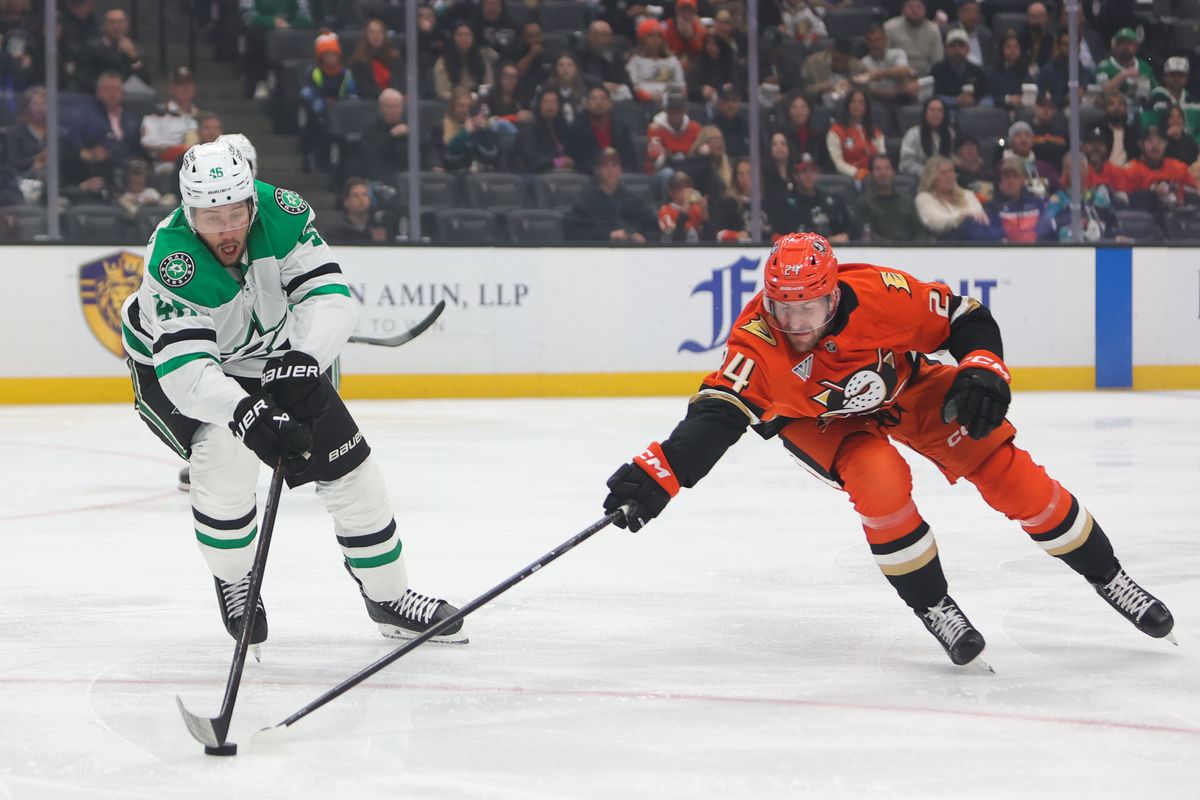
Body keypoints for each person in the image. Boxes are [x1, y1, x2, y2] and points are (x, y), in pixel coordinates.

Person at [600, 232, 1175, 669]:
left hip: (908, 387)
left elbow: (964, 317)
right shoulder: (756, 342)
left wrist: (983, 365)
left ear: (833, 296)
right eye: (785, 309)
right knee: (880, 482)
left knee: (1009, 475)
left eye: (810, 309)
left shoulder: (881, 293)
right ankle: (933, 605)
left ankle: (1109, 576)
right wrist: (661, 473)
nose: (797, 324)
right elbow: (717, 414)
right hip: (819, 421)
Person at [119, 141, 467, 649]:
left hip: (269, 354)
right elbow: (190, 371)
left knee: (351, 468)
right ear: (187, 212)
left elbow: (329, 298)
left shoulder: (282, 213)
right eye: (209, 217)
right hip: (174, 370)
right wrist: (245, 412)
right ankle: (236, 578)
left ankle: (389, 598)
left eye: (235, 212)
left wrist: (304, 358)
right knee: (225, 452)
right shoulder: (173, 260)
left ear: (251, 203)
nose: (226, 229)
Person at [564, 146, 658, 242]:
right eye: (605, 165)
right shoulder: (585, 200)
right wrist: (607, 235)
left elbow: (653, 226)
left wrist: (645, 237)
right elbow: (575, 232)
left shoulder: (633, 199)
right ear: (597, 170)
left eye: (615, 165)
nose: (610, 170)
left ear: (621, 169)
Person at [299, 32, 358, 172]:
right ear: (321, 57)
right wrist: (320, 103)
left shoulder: (346, 74)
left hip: (341, 113)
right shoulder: (314, 72)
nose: (331, 58)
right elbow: (309, 92)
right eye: (327, 54)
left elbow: (351, 92)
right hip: (319, 113)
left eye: (333, 54)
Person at [766, 153, 858, 242]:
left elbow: (850, 227)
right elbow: (789, 236)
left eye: (812, 171)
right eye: (803, 172)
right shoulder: (786, 204)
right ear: (795, 176)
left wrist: (845, 236)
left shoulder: (832, 200)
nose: (808, 176)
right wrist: (828, 240)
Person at [1039, 153, 1121, 242]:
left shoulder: (1099, 200)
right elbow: (1046, 228)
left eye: (1079, 167)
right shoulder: (1057, 200)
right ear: (1064, 170)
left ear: (1086, 170)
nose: (1075, 171)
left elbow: (1114, 227)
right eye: (1070, 168)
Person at [140, 67, 200, 176]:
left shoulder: (201, 116)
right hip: (167, 166)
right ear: (172, 88)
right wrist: (181, 148)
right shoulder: (157, 113)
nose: (185, 88)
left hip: (199, 167)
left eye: (189, 84)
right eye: (180, 84)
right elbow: (147, 140)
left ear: (194, 88)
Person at [916, 155, 991, 240]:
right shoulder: (924, 198)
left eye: (951, 171)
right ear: (932, 178)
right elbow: (936, 222)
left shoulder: (967, 194)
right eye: (943, 173)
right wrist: (962, 215)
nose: (949, 176)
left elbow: (980, 216)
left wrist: (967, 216)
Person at [1122, 125, 1197, 210]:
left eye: (1160, 141)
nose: (1155, 146)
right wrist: (1152, 194)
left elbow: (1194, 196)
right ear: (1141, 145)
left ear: (1166, 144)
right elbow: (1125, 201)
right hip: (1143, 219)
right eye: (1150, 141)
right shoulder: (1130, 170)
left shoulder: (1179, 168)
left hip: (1177, 217)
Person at [567, 84, 638, 174]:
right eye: (594, 99)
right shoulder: (577, 129)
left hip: (619, 176)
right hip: (588, 176)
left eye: (602, 99)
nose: (598, 102)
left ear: (611, 103)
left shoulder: (621, 129)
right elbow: (573, 159)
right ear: (587, 104)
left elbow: (630, 159)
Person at [854, 153, 924, 241]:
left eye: (887, 168)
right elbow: (860, 235)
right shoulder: (863, 204)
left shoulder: (907, 202)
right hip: (875, 252)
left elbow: (920, 233)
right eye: (878, 169)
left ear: (893, 172)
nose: (883, 173)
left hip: (906, 251)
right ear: (871, 174)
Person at [77, 8, 150, 91]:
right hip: (99, 94)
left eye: (120, 22)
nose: (116, 27)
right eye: (111, 22)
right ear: (103, 26)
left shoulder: (136, 49)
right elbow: (85, 79)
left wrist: (133, 57)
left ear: (127, 25)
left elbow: (145, 81)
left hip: (128, 96)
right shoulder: (91, 48)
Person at [433, 88, 500, 173]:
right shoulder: (440, 128)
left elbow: (492, 156)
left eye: (469, 106)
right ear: (453, 107)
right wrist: (464, 134)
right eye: (461, 106)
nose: (465, 110)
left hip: (479, 176)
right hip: (454, 175)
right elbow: (448, 158)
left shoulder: (478, 128)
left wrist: (484, 131)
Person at [826, 88, 885, 181]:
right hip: (849, 178)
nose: (857, 105)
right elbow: (838, 163)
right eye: (853, 102)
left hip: (874, 177)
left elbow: (882, 157)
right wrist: (856, 172)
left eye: (861, 102)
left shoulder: (876, 132)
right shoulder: (835, 131)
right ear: (847, 105)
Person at [626, 19, 685, 105]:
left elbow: (680, 85)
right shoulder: (635, 61)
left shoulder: (672, 60)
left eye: (658, 36)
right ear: (642, 39)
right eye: (650, 36)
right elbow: (633, 85)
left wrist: (668, 97)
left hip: (670, 103)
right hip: (643, 103)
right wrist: (648, 97)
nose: (655, 40)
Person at [986, 156, 1044, 242]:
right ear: (1001, 180)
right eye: (1006, 176)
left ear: (1023, 179)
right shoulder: (993, 207)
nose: (1010, 181)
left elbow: (1045, 232)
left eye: (1014, 176)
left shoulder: (1036, 203)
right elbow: (993, 236)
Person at [1095, 27, 1155, 108]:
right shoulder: (1104, 67)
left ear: (1136, 46)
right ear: (1115, 46)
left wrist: (1140, 82)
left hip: (1139, 111)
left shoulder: (1145, 67)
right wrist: (1123, 75)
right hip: (1110, 112)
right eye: (1121, 43)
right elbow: (1101, 93)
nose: (1125, 47)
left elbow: (1154, 92)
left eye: (1129, 43)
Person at [645, 90, 702, 175]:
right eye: (672, 110)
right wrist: (663, 156)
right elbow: (653, 161)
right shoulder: (655, 129)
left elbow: (698, 155)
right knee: (668, 173)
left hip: (689, 166)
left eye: (679, 110)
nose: (676, 114)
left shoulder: (695, 128)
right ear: (666, 110)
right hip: (664, 168)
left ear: (685, 110)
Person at [997, 121, 1059, 198]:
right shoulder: (1003, 166)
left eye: (1027, 135)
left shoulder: (1044, 167)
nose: (1023, 138)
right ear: (1011, 141)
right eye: (1018, 135)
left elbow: (1057, 190)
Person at [801, 37, 867, 110]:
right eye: (837, 60)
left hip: (849, 107)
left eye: (845, 62)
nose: (840, 65)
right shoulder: (812, 63)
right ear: (831, 52)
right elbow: (802, 89)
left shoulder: (858, 67)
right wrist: (820, 87)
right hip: (819, 105)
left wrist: (854, 90)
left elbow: (866, 90)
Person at [516, 88, 573, 173]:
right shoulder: (530, 126)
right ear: (539, 105)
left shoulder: (561, 127)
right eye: (545, 101)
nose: (549, 105)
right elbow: (532, 159)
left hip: (559, 172)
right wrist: (558, 162)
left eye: (553, 102)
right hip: (534, 173)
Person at [860, 23, 917, 107]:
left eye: (878, 39)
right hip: (876, 103)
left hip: (902, 101)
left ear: (885, 39)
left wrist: (881, 74)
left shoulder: (897, 53)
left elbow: (904, 71)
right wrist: (897, 93)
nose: (875, 44)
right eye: (870, 40)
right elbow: (869, 91)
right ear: (866, 43)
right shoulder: (863, 63)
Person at [434, 22, 493, 102]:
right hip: (453, 103)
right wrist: (461, 99)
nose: (463, 38)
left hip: (478, 101)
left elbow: (488, 85)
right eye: (459, 35)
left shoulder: (482, 58)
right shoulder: (443, 61)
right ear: (453, 38)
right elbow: (442, 91)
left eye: (467, 34)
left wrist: (474, 97)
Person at [347, 17, 402, 101]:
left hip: (394, 100)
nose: (376, 35)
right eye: (372, 32)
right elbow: (364, 88)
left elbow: (399, 82)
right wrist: (386, 94)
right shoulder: (358, 61)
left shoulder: (394, 58)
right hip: (370, 102)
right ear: (366, 36)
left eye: (380, 32)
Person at [1144, 57, 1200, 140]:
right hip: (1163, 144)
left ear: (1186, 77)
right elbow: (1149, 125)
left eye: (1180, 75)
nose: (1176, 79)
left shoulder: (1194, 102)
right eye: (1172, 75)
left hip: (1191, 147)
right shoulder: (1156, 98)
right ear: (1165, 77)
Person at [883, 0, 942, 78]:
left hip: (925, 76)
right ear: (903, 9)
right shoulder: (889, 27)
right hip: (897, 76)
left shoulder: (933, 29)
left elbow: (937, 59)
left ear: (925, 10)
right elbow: (884, 56)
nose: (915, 11)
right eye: (910, 7)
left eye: (919, 7)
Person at [932, 28, 987, 111]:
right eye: (953, 46)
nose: (957, 49)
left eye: (961, 45)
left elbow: (986, 96)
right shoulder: (937, 70)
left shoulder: (977, 71)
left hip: (973, 114)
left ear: (968, 49)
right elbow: (933, 97)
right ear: (946, 49)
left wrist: (975, 101)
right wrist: (955, 101)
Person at [359, 88, 410, 176]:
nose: (392, 111)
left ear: (402, 109)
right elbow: (372, 156)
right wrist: (391, 136)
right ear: (380, 109)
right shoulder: (370, 130)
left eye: (396, 107)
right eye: (388, 107)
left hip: (408, 176)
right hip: (384, 176)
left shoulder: (410, 128)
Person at [899, 97, 952, 178]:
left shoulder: (951, 133)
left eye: (940, 111)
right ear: (925, 113)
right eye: (932, 110)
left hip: (945, 178)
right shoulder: (913, 134)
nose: (936, 114)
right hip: (920, 178)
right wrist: (930, 173)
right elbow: (907, 163)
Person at [327, 176, 390, 243]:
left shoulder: (378, 228)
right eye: (355, 195)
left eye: (364, 194)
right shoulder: (336, 232)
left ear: (369, 199)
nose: (361, 199)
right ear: (346, 202)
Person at [657, 170, 709, 242]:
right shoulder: (665, 210)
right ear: (671, 192)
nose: (685, 193)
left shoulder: (696, 208)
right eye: (680, 189)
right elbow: (671, 235)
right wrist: (686, 206)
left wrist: (705, 213)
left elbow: (708, 237)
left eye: (688, 188)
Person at [945, 0, 993, 68]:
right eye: (968, 11)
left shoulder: (986, 35)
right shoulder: (948, 32)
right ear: (959, 13)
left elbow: (991, 61)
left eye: (976, 12)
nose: (972, 16)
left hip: (982, 73)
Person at [1102, 91, 1141, 167]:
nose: (1116, 107)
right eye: (1111, 104)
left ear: (1126, 108)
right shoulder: (1101, 130)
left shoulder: (1133, 132)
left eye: (1120, 104)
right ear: (1105, 109)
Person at [1019, 2, 1054, 69]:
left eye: (1040, 16)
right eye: (1033, 16)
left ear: (1046, 18)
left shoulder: (1051, 39)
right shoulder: (1020, 37)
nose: (1037, 20)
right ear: (1028, 18)